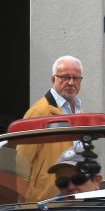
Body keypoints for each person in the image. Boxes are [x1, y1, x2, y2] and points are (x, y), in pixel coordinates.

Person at [17, 55, 84, 201]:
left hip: (74, 198)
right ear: (53, 79)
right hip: (44, 203)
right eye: (65, 77)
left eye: (76, 78)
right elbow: (20, 163)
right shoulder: (39, 113)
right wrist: (25, 206)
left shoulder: (80, 113)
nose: (71, 83)